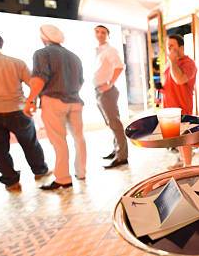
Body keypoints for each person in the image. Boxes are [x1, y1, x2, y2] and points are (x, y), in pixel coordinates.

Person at [24, 25, 87, 190]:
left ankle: (63, 179)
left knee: (59, 141)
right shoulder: (74, 57)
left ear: (43, 38)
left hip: (53, 100)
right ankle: (81, 172)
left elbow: (39, 79)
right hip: (75, 101)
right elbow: (81, 81)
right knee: (79, 138)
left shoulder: (42, 53)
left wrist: (30, 100)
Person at [0, 32, 50, 191]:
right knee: (30, 143)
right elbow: (34, 85)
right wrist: (32, 102)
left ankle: (11, 182)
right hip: (18, 110)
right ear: (1, 45)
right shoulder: (16, 63)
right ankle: (40, 172)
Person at [93, 25, 128, 169]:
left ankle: (122, 157)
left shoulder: (110, 50)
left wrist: (109, 83)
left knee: (115, 123)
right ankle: (116, 150)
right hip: (99, 91)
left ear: (108, 35)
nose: (100, 34)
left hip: (107, 92)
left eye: (103, 32)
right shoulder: (98, 51)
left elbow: (119, 66)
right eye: (97, 31)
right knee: (110, 124)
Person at [162, 34, 197, 168]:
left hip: (182, 107)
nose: (169, 49)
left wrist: (172, 61)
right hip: (170, 107)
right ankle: (182, 161)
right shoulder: (170, 64)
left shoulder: (189, 63)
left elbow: (179, 79)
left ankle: (187, 166)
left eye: (172, 46)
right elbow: (169, 82)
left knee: (184, 137)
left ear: (181, 48)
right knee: (177, 138)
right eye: (168, 47)